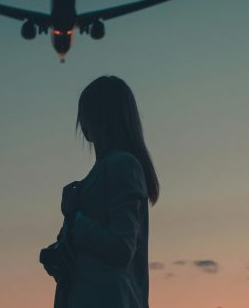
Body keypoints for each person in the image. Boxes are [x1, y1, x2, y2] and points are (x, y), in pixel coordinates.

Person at [40, 75, 160, 308]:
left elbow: (121, 247)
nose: (82, 124)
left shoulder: (122, 165)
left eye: (86, 115)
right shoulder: (107, 171)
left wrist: (74, 220)